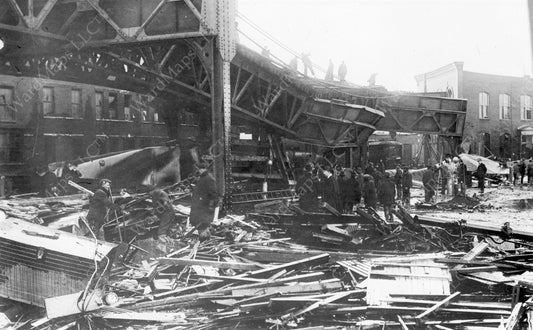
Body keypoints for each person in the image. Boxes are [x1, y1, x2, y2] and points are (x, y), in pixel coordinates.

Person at [189, 163, 219, 241]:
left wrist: (210, 206)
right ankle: (206, 240)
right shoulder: (203, 178)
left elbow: (214, 194)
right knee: (201, 223)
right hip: (201, 206)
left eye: (199, 169)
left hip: (204, 207)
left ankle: (204, 241)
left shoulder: (208, 178)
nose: (198, 171)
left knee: (202, 223)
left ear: (203, 169)